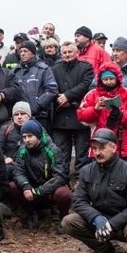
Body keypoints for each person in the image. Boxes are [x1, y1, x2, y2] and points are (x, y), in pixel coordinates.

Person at [61, 128, 127, 253]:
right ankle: (103, 249)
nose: (97, 152)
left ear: (113, 148)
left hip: (122, 223)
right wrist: (96, 218)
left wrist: (112, 224)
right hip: (98, 221)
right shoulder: (87, 171)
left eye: (102, 148)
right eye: (94, 148)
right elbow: (78, 201)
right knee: (69, 222)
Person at [77, 62, 127, 169]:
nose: (108, 82)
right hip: (100, 143)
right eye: (105, 79)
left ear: (117, 78)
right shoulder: (92, 94)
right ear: (101, 80)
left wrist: (121, 114)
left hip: (126, 144)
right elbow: (81, 115)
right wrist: (96, 109)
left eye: (111, 79)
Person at [11, 119, 71, 231]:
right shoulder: (23, 149)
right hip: (31, 190)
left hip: (48, 190)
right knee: (13, 186)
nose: (27, 140)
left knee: (64, 193)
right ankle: (30, 211)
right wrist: (25, 186)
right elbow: (18, 171)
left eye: (30, 136)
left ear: (38, 135)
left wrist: (40, 190)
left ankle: (64, 218)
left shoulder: (53, 150)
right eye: (24, 137)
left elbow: (60, 176)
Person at [50, 41, 95, 175]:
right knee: (61, 154)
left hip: (80, 117)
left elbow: (86, 84)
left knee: (82, 154)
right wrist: (59, 99)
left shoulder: (86, 67)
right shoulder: (54, 68)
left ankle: (81, 181)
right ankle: (61, 180)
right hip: (60, 116)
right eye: (64, 52)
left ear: (77, 53)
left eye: (70, 52)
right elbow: (51, 86)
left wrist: (68, 96)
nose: (67, 55)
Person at [13, 40, 58, 127]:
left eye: (25, 51)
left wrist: (36, 105)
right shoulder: (15, 71)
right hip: (21, 116)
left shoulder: (43, 69)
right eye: (21, 51)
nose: (22, 54)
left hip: (40, 116)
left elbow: (52, 89)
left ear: (33, 53)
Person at [0, 101, 31, 179]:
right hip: (10, 165)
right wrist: (5, 159)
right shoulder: (5, 129)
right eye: (16, 114)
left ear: (29, 116)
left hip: (28, 167)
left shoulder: (37, 129)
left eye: (22, 114)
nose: (19, 117)